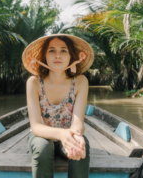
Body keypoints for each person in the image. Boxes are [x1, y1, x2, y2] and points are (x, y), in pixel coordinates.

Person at [22, 34, 94, 178]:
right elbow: (36, 126)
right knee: (43, 148)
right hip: (41, 136)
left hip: (70, 134)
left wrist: (75, 135)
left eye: (63, 51)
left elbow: (78, 122)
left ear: (71, 56)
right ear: (44, 56)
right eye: (51, 51)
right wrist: (62, 134)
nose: (58, 55)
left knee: (81, 145)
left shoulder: (80, 81)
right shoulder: (34, 82)